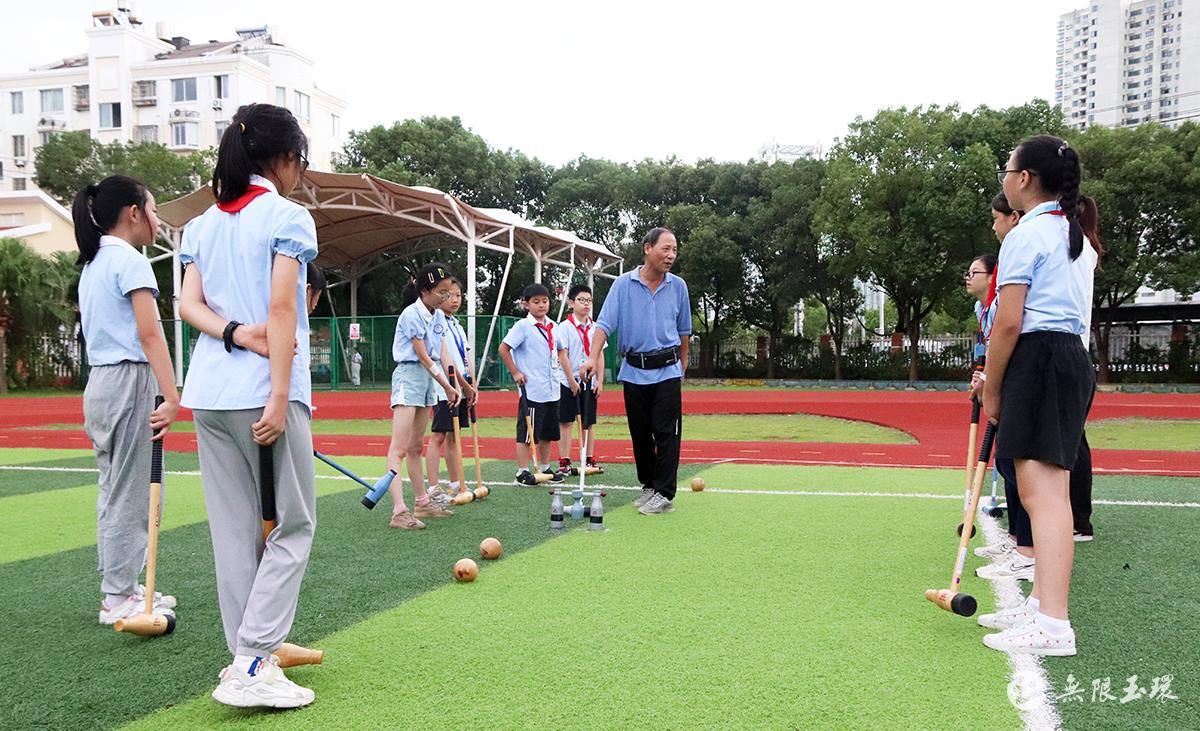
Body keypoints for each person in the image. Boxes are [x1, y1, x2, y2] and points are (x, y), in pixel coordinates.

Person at [178, 103, 319, 707]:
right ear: (285, 158)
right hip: (264, 394)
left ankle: (243, 655)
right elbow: (284, 309)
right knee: (293, 524)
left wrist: (235, 332)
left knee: (235, 533)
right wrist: (281, 390)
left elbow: (188, 305)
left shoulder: (202, 225)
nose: (301, 174)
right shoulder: (288, 216)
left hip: (209, 394)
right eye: (301, 162)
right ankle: (256, 660)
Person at [979, 135, 1101, 657]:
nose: (1005, 178)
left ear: (1024, 178)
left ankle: (1053, 624)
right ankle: (1041, 608)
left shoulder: (1027, 235)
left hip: (1042, 358)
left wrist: (994, 387)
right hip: (1069, 356)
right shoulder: (1075, 237)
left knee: (1043, 496)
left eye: (1008, 170)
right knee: (1047, 492)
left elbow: (1008, 323)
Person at [74, 175, 180, 627]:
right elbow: (150, 332)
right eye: (153, 210)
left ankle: (124, 586)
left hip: (101, 383)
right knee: (130, 491)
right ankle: (117, 596)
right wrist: (172, 394)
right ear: (134, 212)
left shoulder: (94, 263)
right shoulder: (130, 262)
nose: (157, 220)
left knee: (116, 487)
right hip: (126, 380)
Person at [581, 227, 691, 515]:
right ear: (647, 248)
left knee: (667, 433)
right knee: (640, 434)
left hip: (667, 370)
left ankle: (665, 493)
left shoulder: (678, 286)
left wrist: (683, 364)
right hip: (633, 370)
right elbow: (604, 325)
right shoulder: (622, 285)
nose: (671, 256)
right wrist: (592, 357)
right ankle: (650, 486)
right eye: (665, 249)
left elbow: (684, 332)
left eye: (674, 250)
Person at [377, 263, 461, 527]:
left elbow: (439, 352)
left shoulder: (436, 316)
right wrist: (447, 386)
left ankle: (422, 503)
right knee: (399, 448)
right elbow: (423, 357)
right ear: (425, 290)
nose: (447, 298)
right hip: (409, 377)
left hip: (426, 381)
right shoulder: (412, 314)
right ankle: (399, 511)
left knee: (415, 447)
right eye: (442, 292)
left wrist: (458, 384)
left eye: (449, 292)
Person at [500, 283, 575, 485]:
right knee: (527, 434)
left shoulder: (553, 326)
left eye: (544, 301)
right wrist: (515, 372)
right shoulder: (523, 327)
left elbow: (560, 349)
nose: (541, 305)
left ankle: (545, 467)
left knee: (548, 433)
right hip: (532, 390)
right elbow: (503, 349)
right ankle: (522, 471)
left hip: (552, 389)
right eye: (536, 302)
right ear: (526, 304)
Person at [425, 278, 477, 500]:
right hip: (444, 389)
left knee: (454, 436)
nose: (455, 299)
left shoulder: (456, 324)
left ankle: (456, 483)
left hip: (462, 387)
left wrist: (472, 383)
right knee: (438, 435)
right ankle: (433, 487)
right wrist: (463, 385)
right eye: (449, 294)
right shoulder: (436, 323)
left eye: (458, 295)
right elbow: (445, 360)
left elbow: (465, 356)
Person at [555, 284, 604, 476]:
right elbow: (563, 355)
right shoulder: (565, 327)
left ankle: (589, 458)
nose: (586, 304)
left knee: (588, 421)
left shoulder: (595, 328)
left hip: (589, 380)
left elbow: (599, 354)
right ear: (571, 303)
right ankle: (564, 460)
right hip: (569, 380)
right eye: (581, 300)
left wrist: (600, 380)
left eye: (589, 301)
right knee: (566, 421)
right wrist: (571, 381)